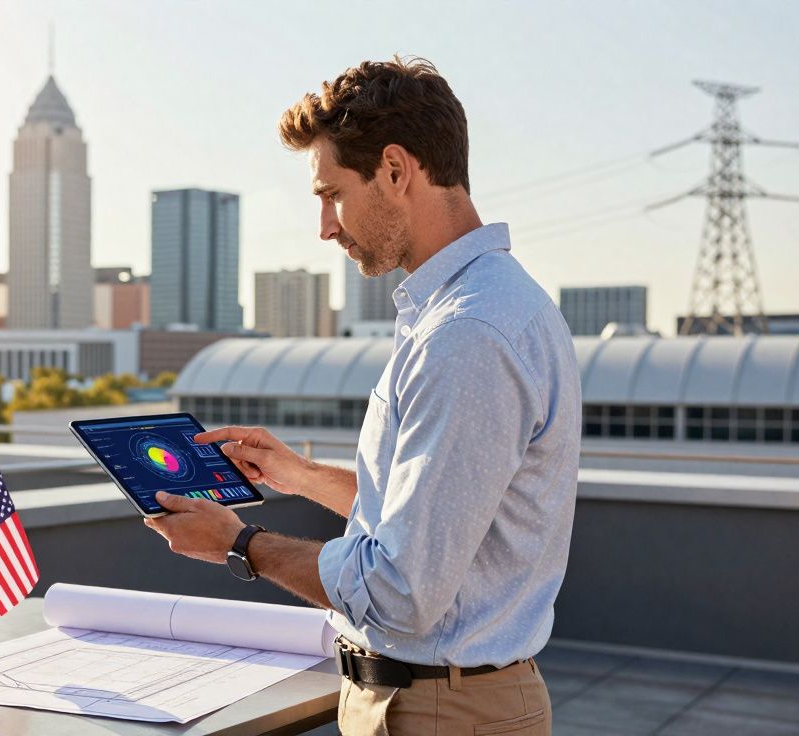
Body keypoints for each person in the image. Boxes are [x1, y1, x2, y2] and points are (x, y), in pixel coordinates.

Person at [144, 56, 580, 735]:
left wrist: (239, 543)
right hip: (433, 702)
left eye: (332, 193)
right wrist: (301, 476)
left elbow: (400, 591)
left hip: (439, 712)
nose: (325, 225)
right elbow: (431, 516)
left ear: (397, 170)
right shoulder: (483, 307)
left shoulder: (466, 335)